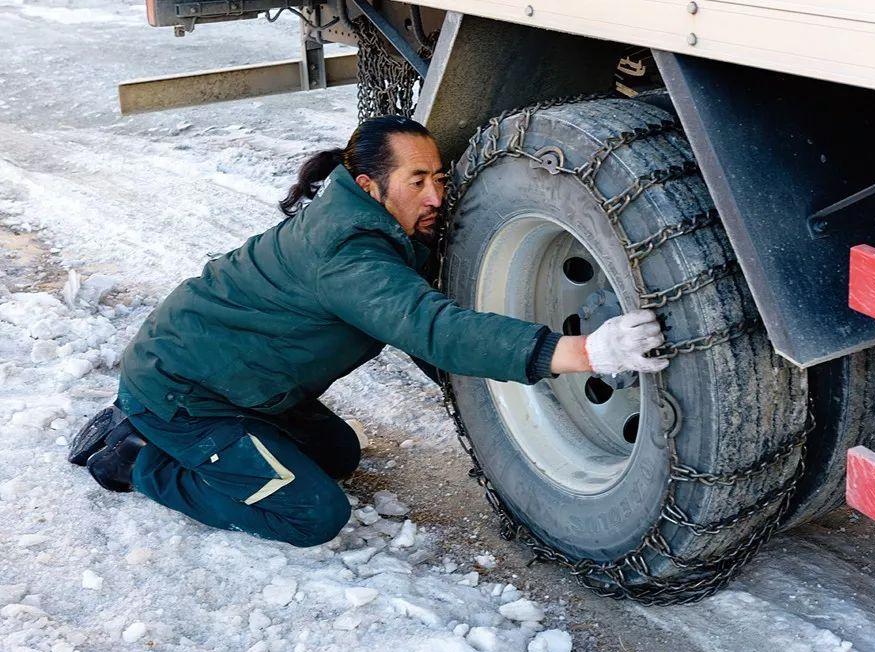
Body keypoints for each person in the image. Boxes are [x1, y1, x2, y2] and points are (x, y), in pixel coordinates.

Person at [68, 116, 667, 548]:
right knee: (312, 514)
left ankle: (206, 439)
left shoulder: (374, 229)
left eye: (440, 176)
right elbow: (428, 326)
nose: (436, 196)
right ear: (369, 186)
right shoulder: (348, 255)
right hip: (183, 394)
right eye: (417, 181)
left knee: (338, 455)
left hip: (246, 387)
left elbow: (418, 328)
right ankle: (136, 455)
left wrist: (502, 376)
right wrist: (584, 351)